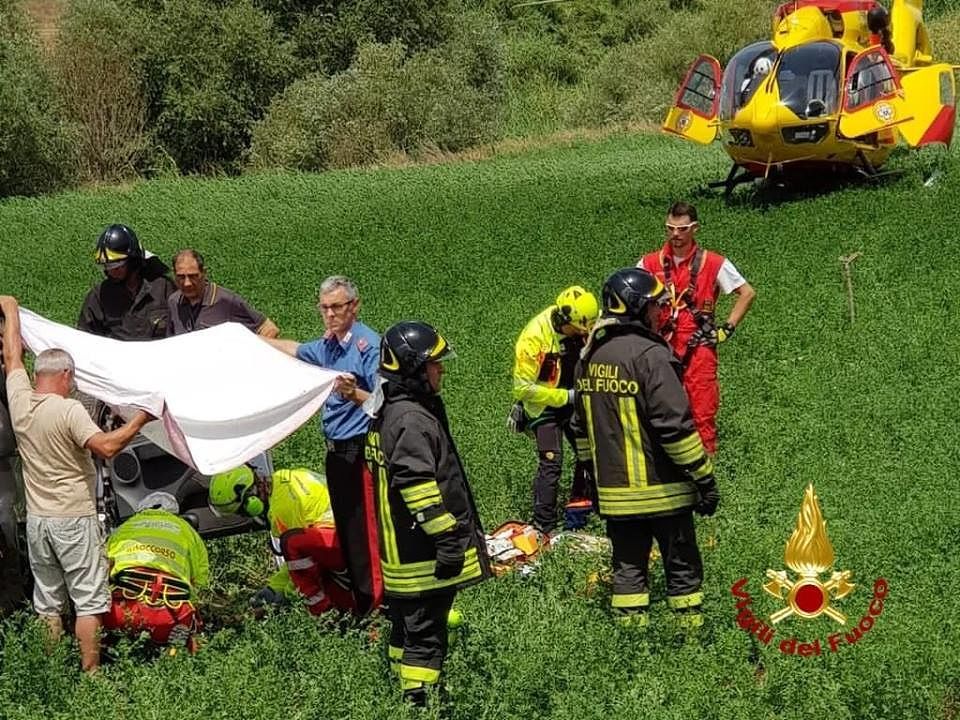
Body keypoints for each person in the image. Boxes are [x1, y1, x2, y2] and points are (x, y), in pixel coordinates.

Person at [1, 295, 152, 672]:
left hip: (38, 522)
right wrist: (141, 419)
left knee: (48, 601)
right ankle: (91, 675)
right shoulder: (68, 410)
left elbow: (12, 357)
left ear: (39, 374)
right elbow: (106, 447)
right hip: (73, 518)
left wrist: (10, 310)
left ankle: (53, 673)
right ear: (67, 376)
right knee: (89, 600)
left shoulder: (19, 400)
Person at [573, 269, 720, 630]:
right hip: (664, 491)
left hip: (615, 496)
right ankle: (690, 646)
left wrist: (592, 478)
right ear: (637, 308)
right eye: (655, 305)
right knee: (682, 570)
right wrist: (704, 479)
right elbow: (676, 429)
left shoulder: (589, 358)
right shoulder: (652, 356)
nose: (661, 312)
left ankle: (632, 647)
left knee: (628, 573)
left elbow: (580, 429)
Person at [365, 321, 491, 706]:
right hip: (422, 558)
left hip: (400, 556)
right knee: (426, 638)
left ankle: (397, 690)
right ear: (414, 368)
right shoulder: (411, 420)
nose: (442, 370)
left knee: (404, 632)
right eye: (435, 363)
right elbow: (418, 489)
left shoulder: (390, 411)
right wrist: (449, 538)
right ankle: (419, 705)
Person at [265, 276, 382, 615]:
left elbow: (383, 403)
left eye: (337, 307)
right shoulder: (328, 346)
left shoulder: (367, 346)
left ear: (354, 307)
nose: (330, 314)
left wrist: (353, 393)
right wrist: (245, 339)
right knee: (348, 532)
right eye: (325, 308)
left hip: (359, 451)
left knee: (365, 535)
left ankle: (373, 606)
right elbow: (295, 350)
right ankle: (354, 601)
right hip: (336, 454)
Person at [639, 201, 756, 454]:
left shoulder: (713, 263)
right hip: (661, 346)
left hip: (699, 345)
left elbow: (746, 293)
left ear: (695, 228)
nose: (675, 235)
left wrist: (727, 328)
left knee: (703, 409)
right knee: (658, 408)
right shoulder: (649, 263)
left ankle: (707, 471)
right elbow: (629, 294)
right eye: (670, 228)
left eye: (682, 229)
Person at [510, 286, 599, 535]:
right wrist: (566, 396)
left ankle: (582, 510)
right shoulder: (533, 339)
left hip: (573, 400)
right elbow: (522, 388)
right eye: (582, 329)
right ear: (565, 321)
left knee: (588, 454)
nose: (586, 333)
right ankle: (543, 525)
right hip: (545, 406)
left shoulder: (581, 322)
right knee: (551, 462)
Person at [208, 465, 355, 614]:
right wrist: (274, 587)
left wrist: (286, 597)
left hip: (343, 543)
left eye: (241, 512)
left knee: (291, 544)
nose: (243, 516)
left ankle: (324, 611)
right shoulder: (284, 479)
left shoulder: (282, 510)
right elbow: (296, 561)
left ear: (251, 503)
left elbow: (301, 564)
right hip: (351, 529)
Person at [103, 492, 208, 651]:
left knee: (96, 611)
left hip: (123, 610)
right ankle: (178, 651)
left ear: (140, 511)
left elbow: (103, 570)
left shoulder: (122, 529)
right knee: (193, 619)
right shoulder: (188, 532)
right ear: (175, 514)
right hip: (168, 613)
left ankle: (107, 651)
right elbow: (201, 583)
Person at [78, 224, 176, 341]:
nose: (112, 271)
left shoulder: (163, 288)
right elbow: (83, 339)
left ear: (133, 261)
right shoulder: (98, 296)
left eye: (118, 266)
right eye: (107, 266)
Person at [166, 249, 279, 338]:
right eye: (181, 277)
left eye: (193, 276)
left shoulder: (226, 301)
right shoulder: (173, 302)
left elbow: (269, 328)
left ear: (204, 273)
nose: (187, 283)